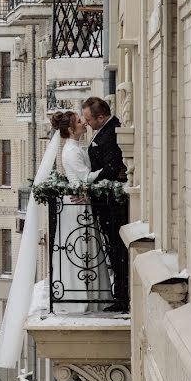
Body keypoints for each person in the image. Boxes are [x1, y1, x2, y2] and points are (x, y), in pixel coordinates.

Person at [50, 110, 114, 314]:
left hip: (82, 202)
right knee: (82, 249)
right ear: (70, 129)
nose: (84, 124)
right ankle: (82, 298)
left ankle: (90, 295)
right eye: (79, 122)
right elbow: (85, 178)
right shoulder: (71, 150)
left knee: (87, 248)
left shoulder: (76, 147)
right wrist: (108, 174)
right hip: (78, 207)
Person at [82, 96, 130, 312]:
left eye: (89, 119)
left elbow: (111, 168)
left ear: (101, 117)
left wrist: (90, 185)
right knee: (113, 249)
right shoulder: (103, 131)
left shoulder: (112, 133)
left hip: (112, 204)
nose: (87, 124)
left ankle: (122, 297)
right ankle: (119, 294)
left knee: (117, 249)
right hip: (106, 202)